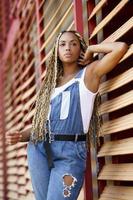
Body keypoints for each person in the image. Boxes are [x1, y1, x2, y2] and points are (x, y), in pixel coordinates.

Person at [6, 30, 128, 200]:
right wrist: (21, 135)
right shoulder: (50, 86)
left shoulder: (88, 74)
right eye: (62, 44)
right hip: (39, 149)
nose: (68, 48)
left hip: (70, 153)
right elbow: (40, 127)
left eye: (73, 44)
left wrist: (92, 48)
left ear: (80, 49)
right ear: (56, 50)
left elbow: (120, 48)